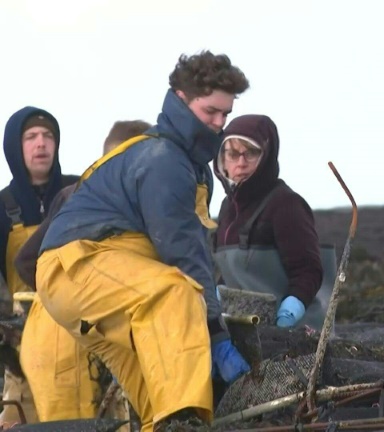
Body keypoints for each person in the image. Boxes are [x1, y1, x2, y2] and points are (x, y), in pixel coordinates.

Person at [36, 50, 252, 432]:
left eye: (226, 114)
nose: (219, 124)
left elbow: (195, 248)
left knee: (156, 393)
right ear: (181, 99)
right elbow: (182, 253)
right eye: (210, 112)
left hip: (105, 286)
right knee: (175, 293)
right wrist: (217, 333)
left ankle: (163, 421)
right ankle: (183, 425)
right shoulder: (162, 159)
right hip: (78, 265)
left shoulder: (190, 165)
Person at [13, 120, 152, 426]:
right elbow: (25, 261)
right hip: (65, 340)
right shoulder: (89, 197)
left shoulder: (88, 192)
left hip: (70, 329)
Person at [211, 115, 333, 332]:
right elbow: (232, 272)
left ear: (266, 155)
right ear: (222, 159)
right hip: (246, 329)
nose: (240, 162)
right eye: (232, 153)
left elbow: (309, 271)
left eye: (251, 153)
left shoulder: (286, 204)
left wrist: (290, 310)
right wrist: (218, 292)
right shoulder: (226, 208)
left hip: (295, 334)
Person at [0, 107, 80, 426]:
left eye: (48, 136)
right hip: (23, 344)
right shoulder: (3, 207)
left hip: (78, 336)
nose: (41, 144)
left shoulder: (80, 191)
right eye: (31, 137)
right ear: (14, 147)